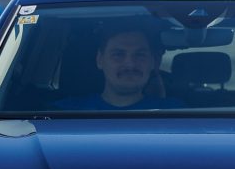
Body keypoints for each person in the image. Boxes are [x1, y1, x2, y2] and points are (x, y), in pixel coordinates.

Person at [55, 28, 183, 110]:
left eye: (140, 55)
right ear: (100, 60)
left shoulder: (177, 114)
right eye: (118, 54)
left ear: (153, 63)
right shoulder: (60, 113)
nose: (130, 64)